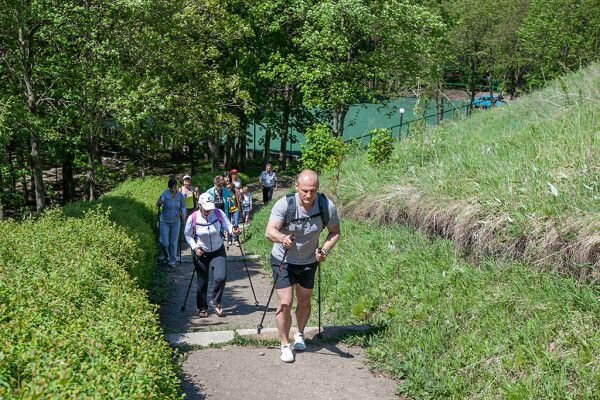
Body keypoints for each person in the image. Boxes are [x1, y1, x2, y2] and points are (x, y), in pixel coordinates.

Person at [265, 170, 341, 363]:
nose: (308, 195)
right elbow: (269, 231)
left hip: (308, 261)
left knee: (304, 300)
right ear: (297, 187)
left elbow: (335, 232)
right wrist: (282, 238)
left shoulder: (326, 206)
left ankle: (299, 333)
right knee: (285, 303)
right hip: (283, 260)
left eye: (313, 191)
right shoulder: (285, 204)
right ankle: (284, 344)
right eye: (305, 190)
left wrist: (323, 250)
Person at [184, 193, 240, 317]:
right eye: (206, 208)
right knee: (202, 281)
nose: (208, 210)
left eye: (210, 207)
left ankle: (215, 301)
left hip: (217, 249)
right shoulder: (193, 218)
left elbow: (228, 226)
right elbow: (187, 235)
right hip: (201, 252)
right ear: (199, 205)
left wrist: (233, 230)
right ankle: (202, 307)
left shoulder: (218, 213)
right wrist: (195, 247)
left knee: (221, 277)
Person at [156, 177, 186, 268]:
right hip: (164, 221)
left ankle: (172, 260)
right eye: (171, 188)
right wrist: (159, 202)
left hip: (175, 221)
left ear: (176, 186)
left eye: (174, 188)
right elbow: (158, 203)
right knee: (164, 242)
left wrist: (183, 214)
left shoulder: (180, 195)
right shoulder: (165, 193)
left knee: (173, 242)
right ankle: (166, 256)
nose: (172, 190)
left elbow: (183, 207)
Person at [225, 181, 241, 247]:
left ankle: (236, 239)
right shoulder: (224, 193)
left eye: (229, 186)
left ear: (231, 185)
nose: (228, 187)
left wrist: (242, 194)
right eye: (227, 186)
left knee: (236, 224)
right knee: (229, 224)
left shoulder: (236, 191)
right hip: (228, 210)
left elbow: (241, 199)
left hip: (235, 209)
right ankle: (229, 239)